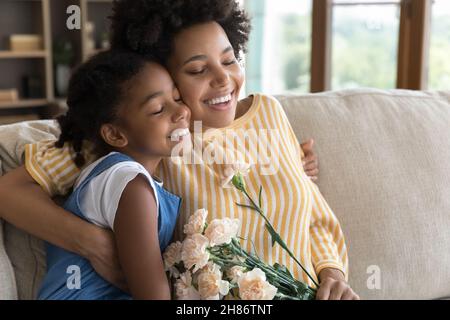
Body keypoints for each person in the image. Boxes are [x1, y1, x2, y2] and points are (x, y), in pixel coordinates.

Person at [0, 0, 358, 300]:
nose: (222, 79)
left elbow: (313, 216)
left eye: (229, 60)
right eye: (198, 69)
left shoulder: (269, 113)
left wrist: (333, 274)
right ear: (163, 78)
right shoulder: (154, 139)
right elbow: (10, 192)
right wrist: (94, 244)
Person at [38, 50, 190, 299]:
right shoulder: (129, 184)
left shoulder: (123, 177)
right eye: (158, 109)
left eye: (176, 96)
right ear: (116, 135)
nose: (181, 111)